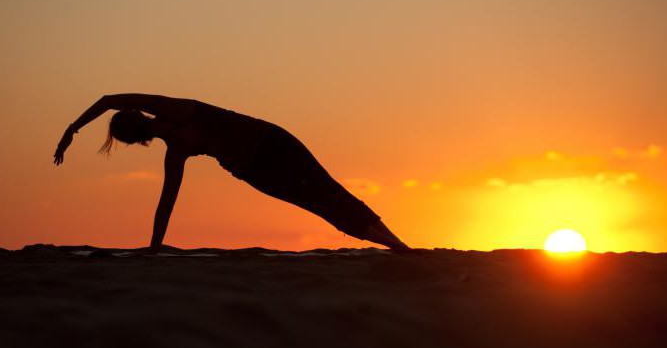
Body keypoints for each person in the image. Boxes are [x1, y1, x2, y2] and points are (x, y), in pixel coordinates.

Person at [53, 94, 409, 251]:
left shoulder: (172, 111)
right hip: (256, 167)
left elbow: (107, 100)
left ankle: (396, 243)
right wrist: (154, 248)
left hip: (270, 145)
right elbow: (166, 203)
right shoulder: (175, 151)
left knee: (325, 193)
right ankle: (393, 243)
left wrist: (73, 128)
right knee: (319, 200)